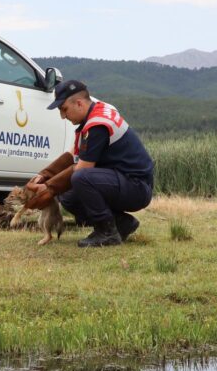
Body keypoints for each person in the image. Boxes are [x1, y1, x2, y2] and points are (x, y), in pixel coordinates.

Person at [29, 80, 154, 247]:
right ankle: (121, 223)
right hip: (124, 182)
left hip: (136, 187)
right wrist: (44, 175)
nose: (63, 116)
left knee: (80, 178)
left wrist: (50, 188)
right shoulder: (95, 113)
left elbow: (82, 169)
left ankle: (107, 233)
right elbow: (72, 156)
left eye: (64, 109)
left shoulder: (97, 125)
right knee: (68, 196)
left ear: (79, 103)